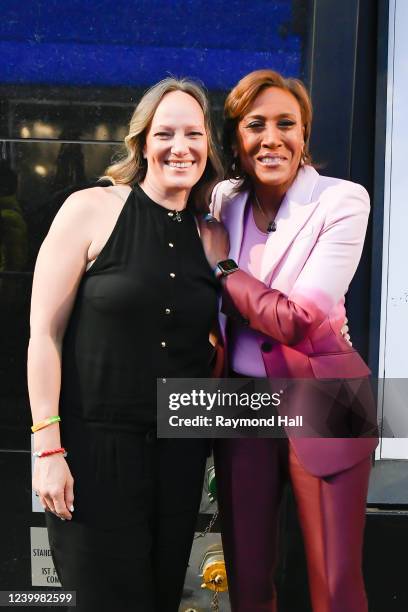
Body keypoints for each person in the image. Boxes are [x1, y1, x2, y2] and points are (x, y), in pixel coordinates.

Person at [28, 77, 224, 612]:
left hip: (178, 456)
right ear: (141, 142)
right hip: (93, 454)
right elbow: (44, 334)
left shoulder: (214, 235)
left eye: (194, 133)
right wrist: (47, 448)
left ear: (208, 145)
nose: (180, 146)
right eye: (165, 133)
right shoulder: (90, 209)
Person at [200, 69, 378, 612]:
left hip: (325, 397)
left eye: (287, 124)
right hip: (242, 403)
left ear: (305, 135)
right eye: (256, 125)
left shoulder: (342, 200)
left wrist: (224, 267)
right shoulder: (222, 201)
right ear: (235, 138)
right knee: (247, 581)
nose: (271, 138)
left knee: (333, 583)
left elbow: (299, 321)